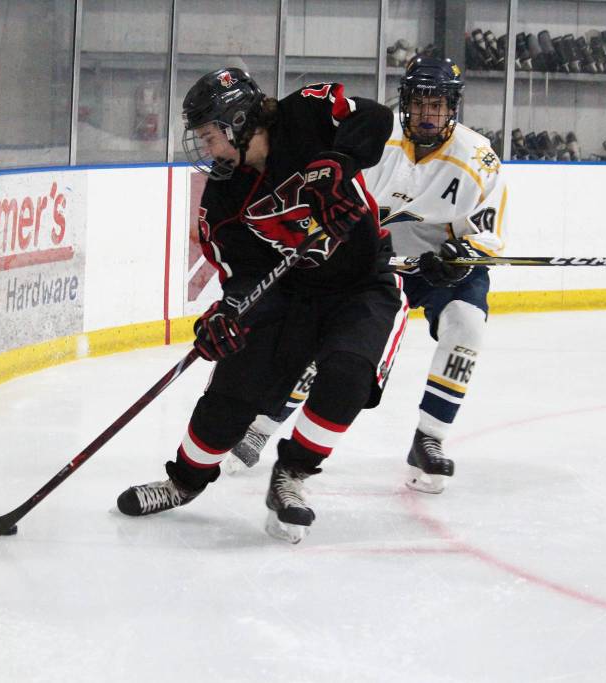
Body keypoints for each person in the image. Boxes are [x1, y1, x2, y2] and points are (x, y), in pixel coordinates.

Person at [115, 67, 406, 543]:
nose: (208, 150)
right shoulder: (223, 200)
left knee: (349, 374)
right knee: (234, 391)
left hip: (359, 284)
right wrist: (227, 314)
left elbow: (373, 118)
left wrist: (338, 161)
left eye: (210, 137)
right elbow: (243, 277)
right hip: (289, 298)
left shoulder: (307, 114)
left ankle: (292, 474)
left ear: (237, 120)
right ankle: (183, 482)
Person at [223, 57, 507, 496]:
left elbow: (489, 233)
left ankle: (429, 437)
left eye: (437, 105)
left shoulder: (478, 157)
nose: (427, 115)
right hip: (371, 258)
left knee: (467, 324)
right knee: (333, 344)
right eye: (419, 104)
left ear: (453, 107)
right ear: (405, 103)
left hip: (440, 264)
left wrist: (460, 254)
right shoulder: (377, 139)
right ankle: (261, 427)